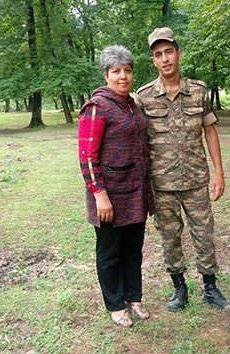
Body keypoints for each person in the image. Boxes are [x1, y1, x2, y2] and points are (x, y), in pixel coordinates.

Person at [136, 27, 230, 312]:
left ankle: (210, 288)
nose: (165, 59)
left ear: (179, 54)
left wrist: (219, 172)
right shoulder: (144, 97)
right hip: (161, 184)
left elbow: (210, 131)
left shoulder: (199, 92)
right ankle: (179, 288)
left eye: (169, 52)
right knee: (170, 238)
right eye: (158, 54)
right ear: (153, 60)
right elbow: (137, 139)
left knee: (204, 234)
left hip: (195, 180)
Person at [78, 45, 156, 327]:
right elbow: (87, 156)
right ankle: (115, 303)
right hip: (110, 195)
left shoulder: (131, 105)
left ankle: (133, 297)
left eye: (128, 70)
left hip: (135, 192)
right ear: (106, 75)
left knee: (133, 248)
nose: (123, 76)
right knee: (110, 252)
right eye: (116, 71)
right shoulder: (97, 107)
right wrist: (100, 195)